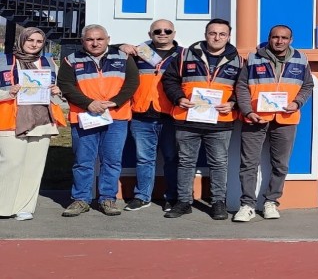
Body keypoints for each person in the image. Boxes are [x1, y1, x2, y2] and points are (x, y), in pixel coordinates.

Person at [162, 18, 242, 220]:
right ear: (205, 34)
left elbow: (244, 88)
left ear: (229, 36)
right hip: (187, 119)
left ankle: (218, 202)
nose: (217, 37)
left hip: (220, 120)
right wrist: (178, 98)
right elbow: (169, 79)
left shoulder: (239, 61)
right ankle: (183, 202)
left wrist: (233, 103)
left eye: (222, 34)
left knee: (219, 163)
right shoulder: (185, 55)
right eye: (212, 33)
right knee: (185, 162)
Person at [233, 25, 314, 222]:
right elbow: (241, 86)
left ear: (291, 40)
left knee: (280, 164)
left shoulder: (301, 59)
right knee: (248, 164)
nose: (279, 41)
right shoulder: (254, 58)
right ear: (269, 38)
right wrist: (248, 111)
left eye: (284, 38)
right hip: (255, 117)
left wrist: (297, 103)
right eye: (275, 37)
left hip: (286, 118)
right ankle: (247, 205)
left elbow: (308, 85)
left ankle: (271, 202)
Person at [58, 24, 139, 217]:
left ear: (108, 39)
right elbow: (66, 85)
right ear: (82, 41)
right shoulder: (71, 60)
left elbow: (132, 82)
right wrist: (89, 104)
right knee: (83, 161)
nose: (95, 43)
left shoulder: (123, 57)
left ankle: (107, 199)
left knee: (111, 161)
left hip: (116, 117)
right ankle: (81, 199)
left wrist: (116, 101)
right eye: (90, 39)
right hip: (84, 117)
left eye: (99, 39)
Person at [0, 27, 67, 221]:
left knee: (33, 166)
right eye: (30, 40)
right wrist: (8, 93)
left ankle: (24, 207)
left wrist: (57, 91)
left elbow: (58, 95)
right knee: (11, 163)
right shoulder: (4, 61)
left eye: (39, 41)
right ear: (21, 40)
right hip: (10, 118)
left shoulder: (48, 62)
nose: (34, 44)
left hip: (41, 119)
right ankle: (4, 206)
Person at [118, 19, 181, 212]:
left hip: (171, 115)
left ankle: (173, 197)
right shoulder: (138, 52)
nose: (162, 33)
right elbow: (104, 48)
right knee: (144, 159)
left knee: (172, 159)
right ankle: (142, 196)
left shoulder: (184, 55)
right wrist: (120, 45)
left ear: (174, 34)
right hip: (142, 115)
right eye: (157, 31)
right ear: (150, 34)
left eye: (167, 31)